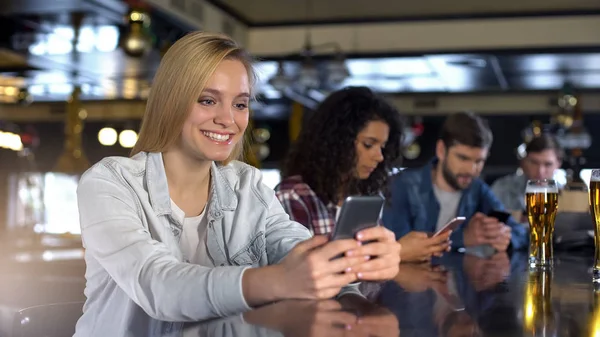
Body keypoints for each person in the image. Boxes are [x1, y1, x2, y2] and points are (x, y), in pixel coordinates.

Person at [74, 32, 401, 336]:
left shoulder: (249, 186)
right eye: (207, 100)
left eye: (240, 104)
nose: (229, 119)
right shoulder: (109, 183)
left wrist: (353, 290)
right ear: (171, 101)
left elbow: (296, 249)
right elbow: (158, 286)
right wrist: (280, 281)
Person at [382, 112, 528, 262]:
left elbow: (520, 233)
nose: (471, 169)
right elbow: (398, 247)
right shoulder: (402, 186)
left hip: (456, 281)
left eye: (479, 161)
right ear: (441, 151)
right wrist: (462, 238)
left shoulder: (477, 189)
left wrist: (505, 238)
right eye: (463, 158)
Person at [274, 87, 412, 238]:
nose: (379, 157)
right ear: (337, 141)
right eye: (368, 144)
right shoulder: (293, 194)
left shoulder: (364, 196)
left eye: (382, 147)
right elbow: (299, 260)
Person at [491, 134, 563, 213]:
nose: (540, 171)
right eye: (534, 163)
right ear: (524, 162)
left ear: (558, 164)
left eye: (548, 164)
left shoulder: (565, 195)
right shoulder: (502, 188)